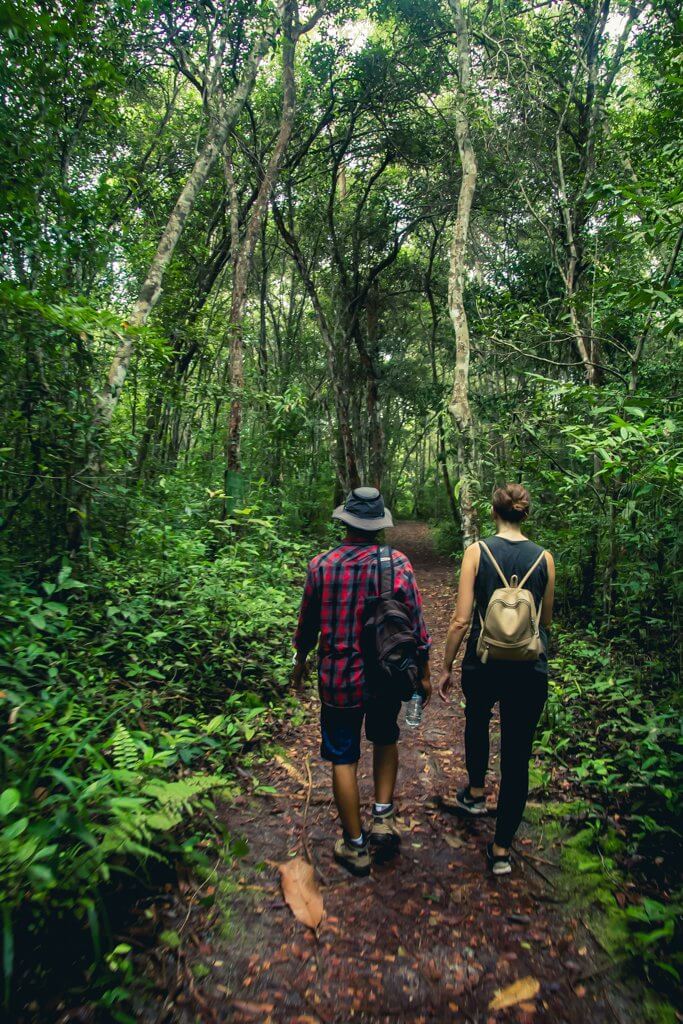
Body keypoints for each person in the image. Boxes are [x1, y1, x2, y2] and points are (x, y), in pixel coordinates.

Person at [292, 487, 431, 877]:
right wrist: (425, 673)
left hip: (338, 678)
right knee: (385, 737)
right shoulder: (396, 563)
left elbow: (307, 625)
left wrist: (299, 661)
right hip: (386, 675)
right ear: (377, 524)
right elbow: (416, 626)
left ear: (346, 521)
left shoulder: (321, 565)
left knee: (342, 755)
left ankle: (355, 846)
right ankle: (382, 818)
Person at [437, 483, 555, 875]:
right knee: (517, 756)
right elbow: (545, 622)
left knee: (476, 721)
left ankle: (475, 793)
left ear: (493, 513)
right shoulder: (545, 559)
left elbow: (460, 619)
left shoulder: (477, 552)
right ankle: (501, 850)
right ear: (526, 514)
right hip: (528, 668)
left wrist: (447, 664)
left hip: (483, 660)